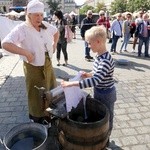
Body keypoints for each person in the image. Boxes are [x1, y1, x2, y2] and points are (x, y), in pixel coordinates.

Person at [1, 0, 59, 124]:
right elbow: (5, 44)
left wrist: (54, 46)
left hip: (47, 64)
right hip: (33, 67)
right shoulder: (22, 28)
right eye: (36, 15)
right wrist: (25, 53)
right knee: (36, 94)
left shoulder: (45, 25)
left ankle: (49, 114)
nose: (39, 18)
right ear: (29, 15)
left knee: (50, 90)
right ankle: (37, 118)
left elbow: (56, 32)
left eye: (41, 14)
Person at [61, 26, 116, 146]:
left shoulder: (105, 60)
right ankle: (105, 135)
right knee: (101, 112)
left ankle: (106, 137)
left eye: (89, 44)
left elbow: (95, 81)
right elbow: (97, 74)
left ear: (98, 42)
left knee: (107, 116)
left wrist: (71, 84)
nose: (88, 46)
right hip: (100, 91)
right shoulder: (99, 57)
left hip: (106, 93)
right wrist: (88, 74)